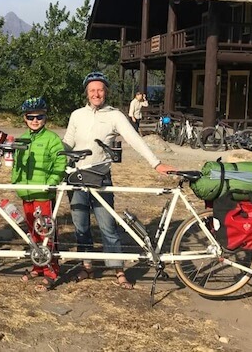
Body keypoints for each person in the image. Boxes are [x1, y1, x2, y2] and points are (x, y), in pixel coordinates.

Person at [63, 71, 176, 289]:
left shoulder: (114, 115)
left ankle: (118, 269)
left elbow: (134, 139)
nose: (96, 94)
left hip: (100, 177)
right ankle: (87, 266)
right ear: (86, 93)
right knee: (81, 226)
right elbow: (68, 142)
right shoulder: (77, 115)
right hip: (75, 177)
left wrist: (156, 163)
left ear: (106, 92)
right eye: (92, 90)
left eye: (100, 90)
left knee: (107, 226)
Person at [11, 97, 67, 292]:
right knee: (32, 233)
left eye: (39, 116)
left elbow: (60, 164)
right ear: (25, 118)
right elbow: (17, 165)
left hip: (43, 194)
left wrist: (50, 183)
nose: (35, 120)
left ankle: (52, 270)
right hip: (26, 194)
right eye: (30, 117)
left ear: (45, 117)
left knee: (47, 233)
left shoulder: (52, 139)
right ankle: (38, 265)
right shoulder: (22, 139)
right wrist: (16, 181)